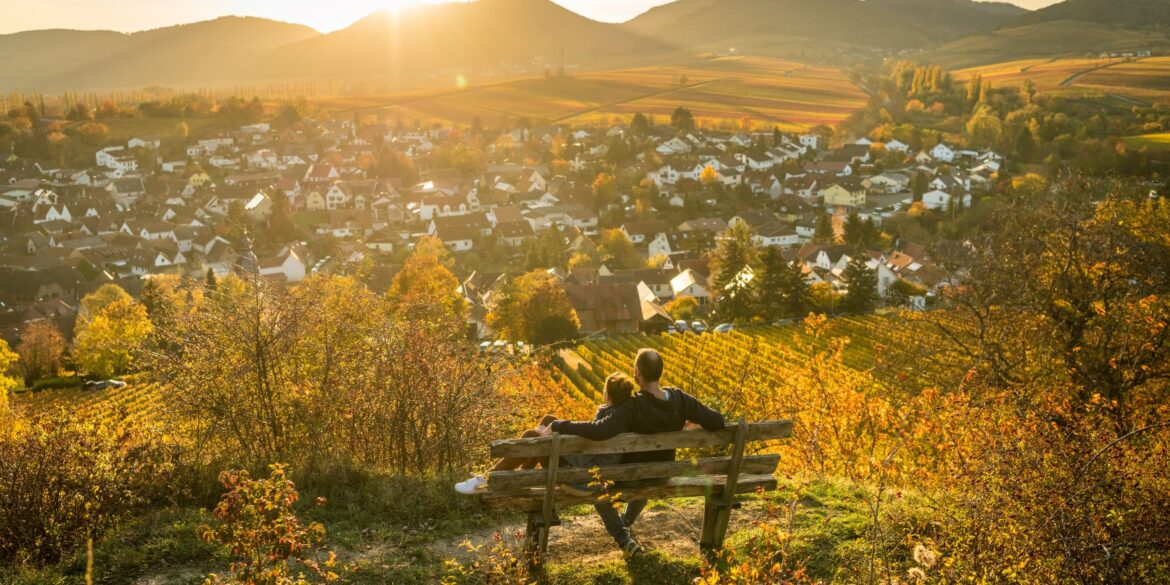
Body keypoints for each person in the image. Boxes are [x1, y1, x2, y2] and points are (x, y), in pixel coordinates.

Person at [534, 348, 724, 555]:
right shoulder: (681, 400)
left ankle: (623, 532)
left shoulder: (632, 406)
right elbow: (717, 421)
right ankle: (626, 522)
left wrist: (559, 425)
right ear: (660, 371)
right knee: (643, 473)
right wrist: (691, 420)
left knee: (601, 481)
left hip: (628, 477)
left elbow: (599, 430)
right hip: (662, 475)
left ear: (637, 373)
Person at [454, 372, 638, 495]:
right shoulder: (618, 411)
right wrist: (553, 427)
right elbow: (592, 434)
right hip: (584, 465)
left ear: (608, 394)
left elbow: (595, 431)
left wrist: (557, 428)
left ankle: (486, 480)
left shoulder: (614, 418)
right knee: (547, 420)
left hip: (581, 478)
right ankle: (524, 474)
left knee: (531, 437)